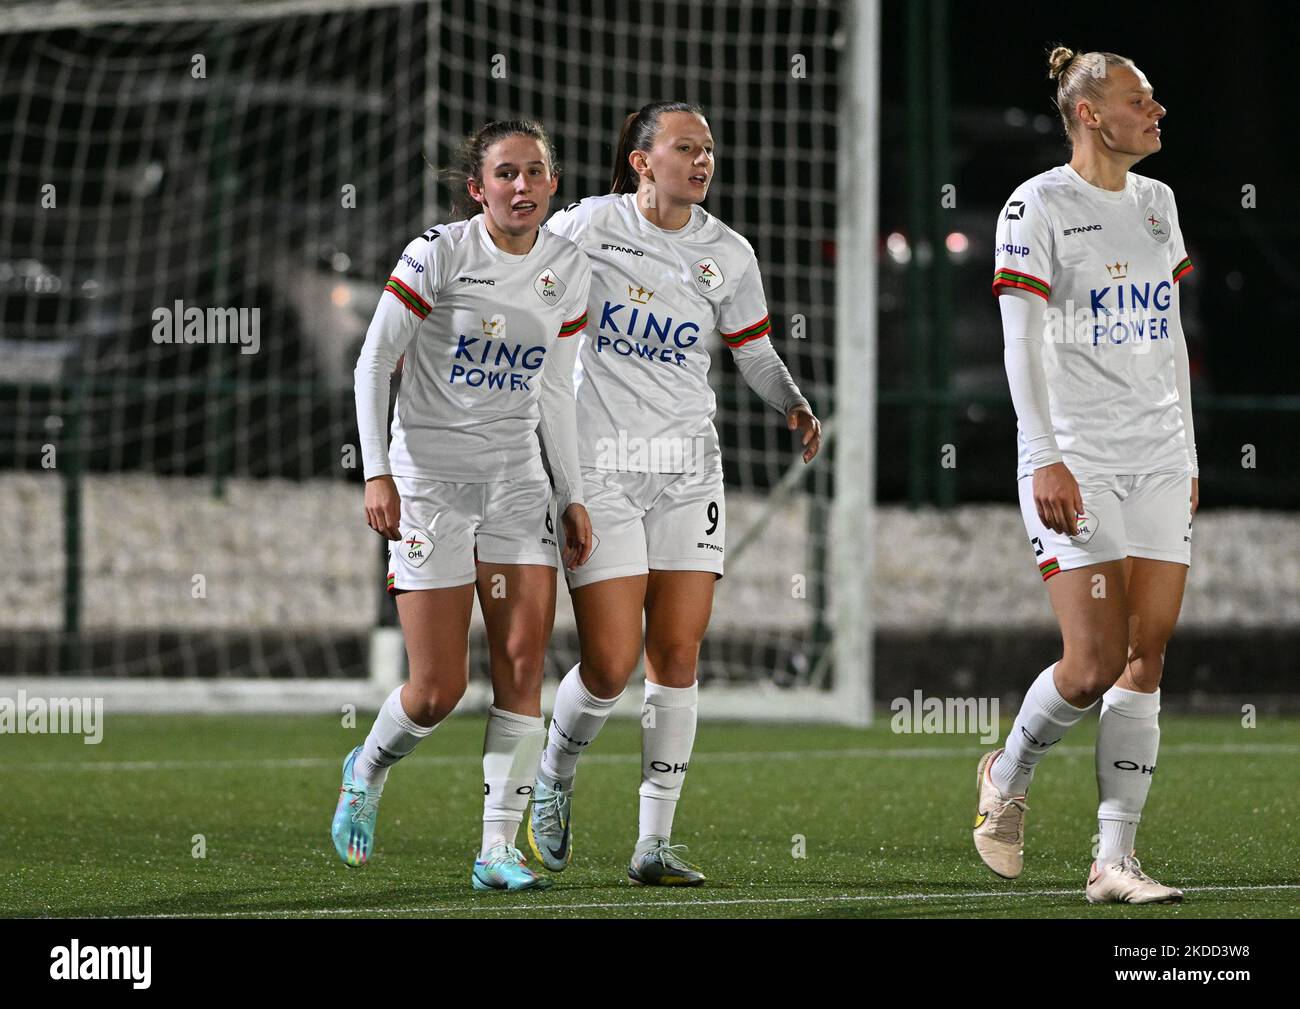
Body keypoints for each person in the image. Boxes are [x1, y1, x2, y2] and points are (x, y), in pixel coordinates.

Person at [527, 101, 822, 886]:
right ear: (640, 160)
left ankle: (653, 840)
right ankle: (554, 771)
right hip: (601, 470)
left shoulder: (727, 251)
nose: (701, 161)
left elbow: (753, 350)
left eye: (709, 150)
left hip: (690, 467)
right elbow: (530, 280)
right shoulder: (590, 226)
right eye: (685, 148)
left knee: (679, 652)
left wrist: (791, 399)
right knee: (610, 664)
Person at [335, 119, 593, 892]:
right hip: (429, 487)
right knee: (438, 687)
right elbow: (374, 359)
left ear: (552, 183)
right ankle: (368, 764)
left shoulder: (566, 267)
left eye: (535, 172)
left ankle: (496, 849)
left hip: (517, 488)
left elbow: (555, 387)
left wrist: (572, 492)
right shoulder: (438, 253)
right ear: (478, 188)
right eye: (506, 174)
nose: (522, 186)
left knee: (522, 668)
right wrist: (377, 472)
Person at [978, 47, 1198, 904]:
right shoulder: (1036, 205)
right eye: (1140, 98)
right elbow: (1019, 340)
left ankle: (1114, 861)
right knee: (1092, 662)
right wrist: (1043, 454)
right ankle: (1010, 770)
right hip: (1078, 456)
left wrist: (1187, 451)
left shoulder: (1158, 204)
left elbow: (1171, 333)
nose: (1158, 109)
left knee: (1147, 656)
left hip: (1158, 457)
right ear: (1091, 115)